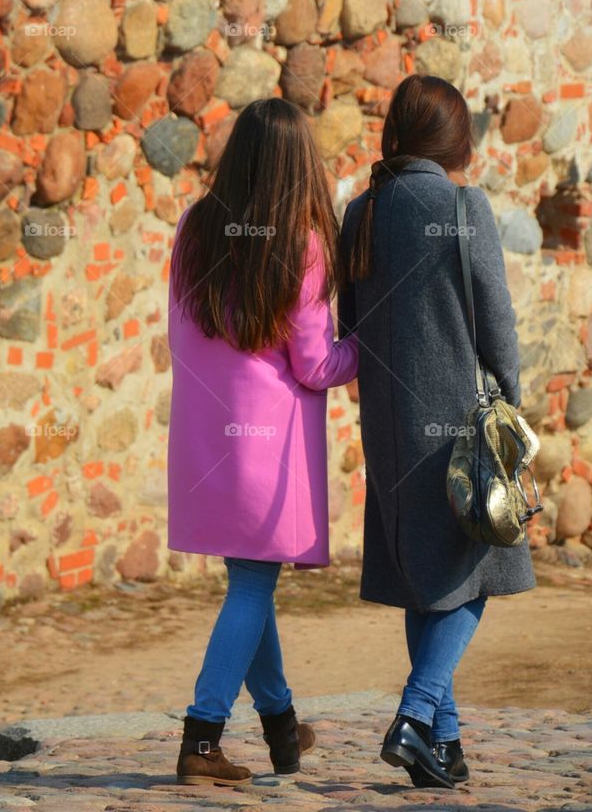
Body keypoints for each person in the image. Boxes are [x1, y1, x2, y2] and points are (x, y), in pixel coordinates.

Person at [339, 74, 536, 790]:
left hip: (389, 430)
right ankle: (416, 714)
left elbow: (347, 327)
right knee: (480, 567)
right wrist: (512, 394)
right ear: (455, 140)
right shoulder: (462, 205)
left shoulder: (359, 212)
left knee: (428, 582)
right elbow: (497, 317)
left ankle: (441, 748)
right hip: (459, 426)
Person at [167, 98, 359, 786]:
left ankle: (281, 726)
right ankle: (203, 736)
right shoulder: (301, 243)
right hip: (263, 452)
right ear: (296, 165)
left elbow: (177, 334)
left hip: (206, 440)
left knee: (250, 584)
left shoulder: (194, 226)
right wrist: (367, 345)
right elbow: (315, 365)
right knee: (251, 586)